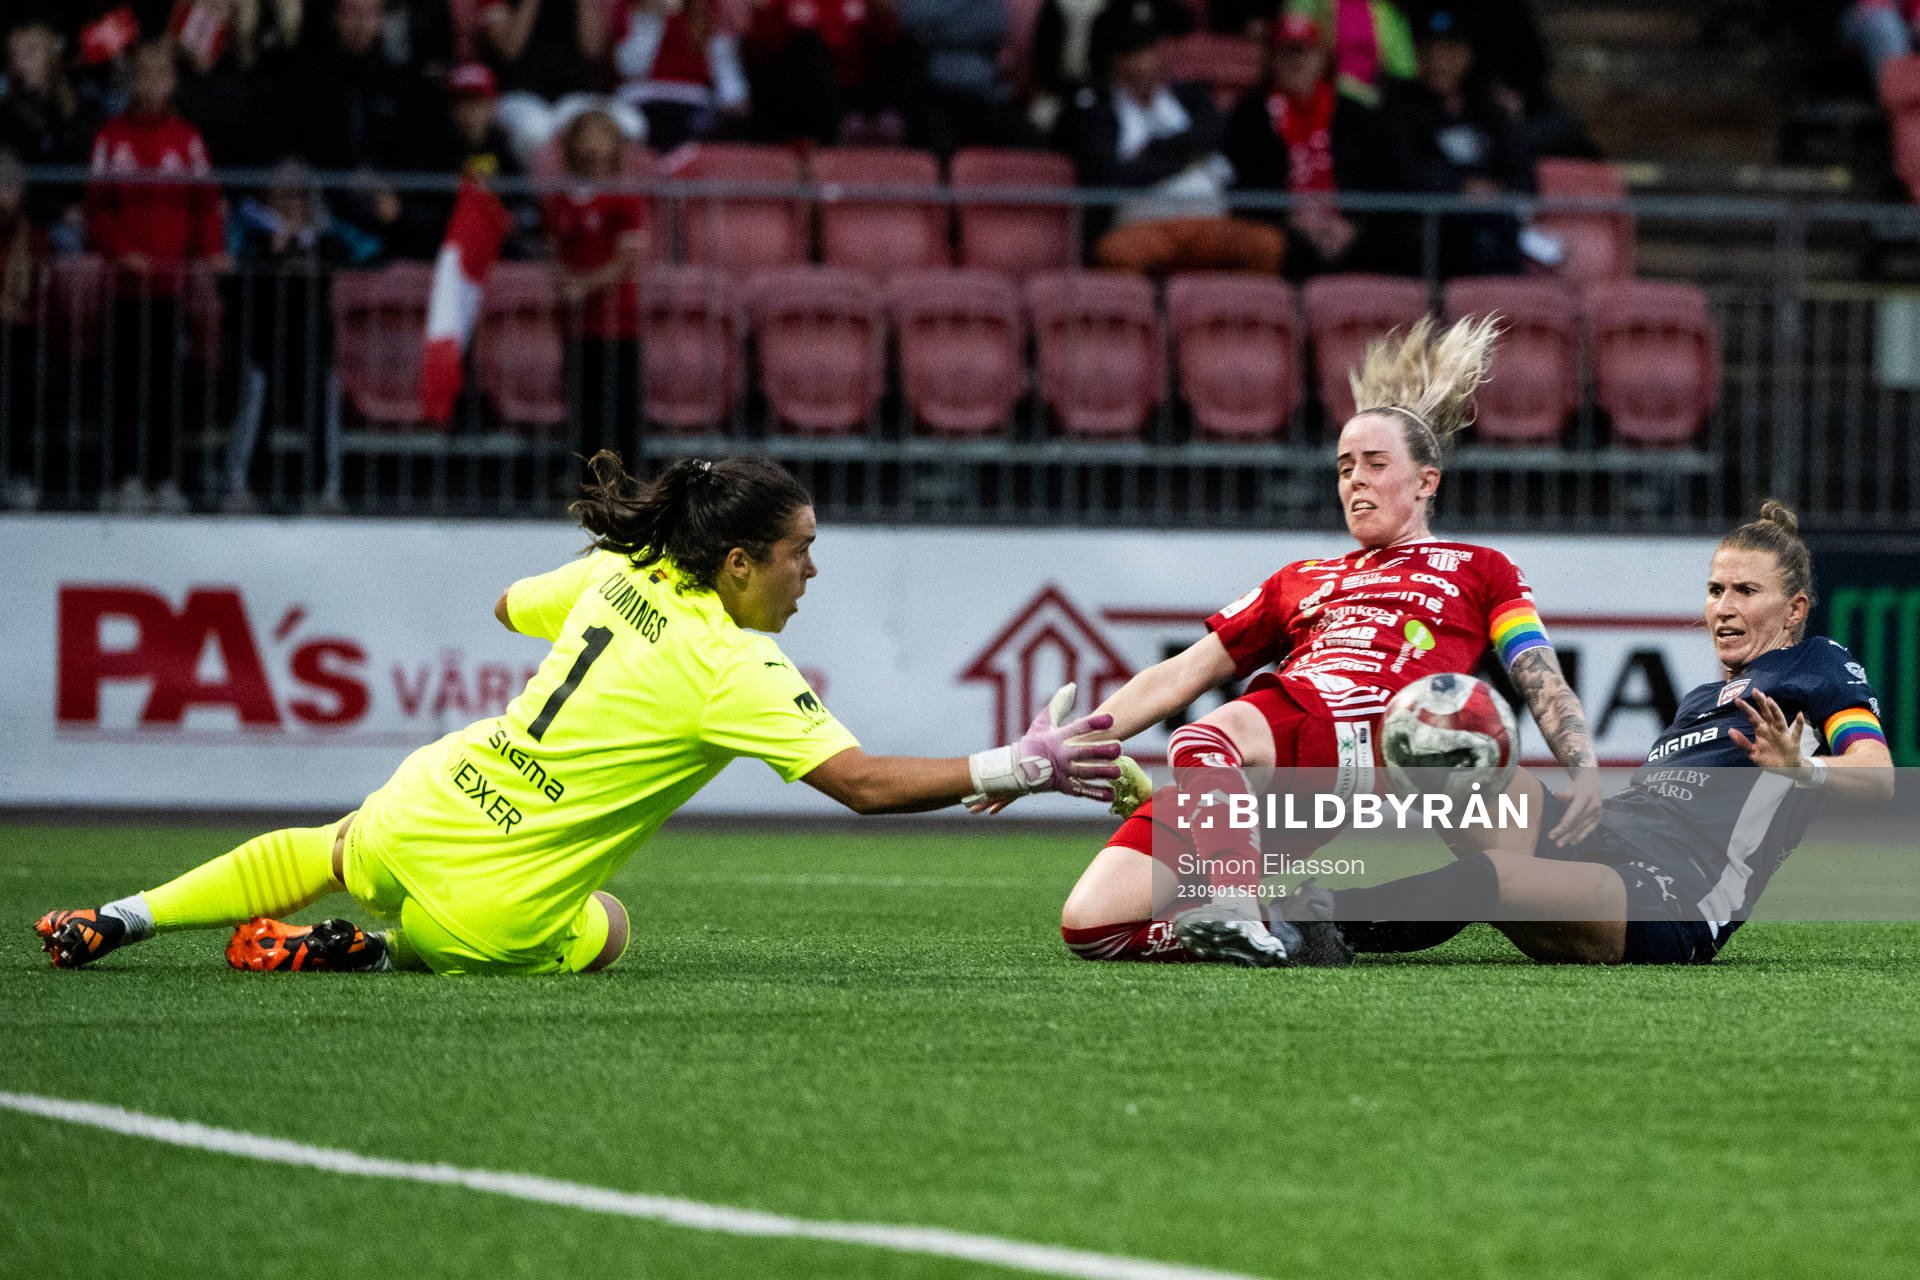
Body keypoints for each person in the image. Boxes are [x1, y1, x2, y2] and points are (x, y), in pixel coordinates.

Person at [34, 453, 1123, 975]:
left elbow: (507, 603)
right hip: (495, 906)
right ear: (741, 560)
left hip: (430, 798)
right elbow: (865, 784)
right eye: (801, 552)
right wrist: (1015, 763)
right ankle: (371, 951)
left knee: (330, 843)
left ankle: (119, 915)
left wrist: (604, 574)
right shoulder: (736, 664)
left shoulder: (625, 570)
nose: (812, 573)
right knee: (603, 928)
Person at [1053, 315, 1601, 967]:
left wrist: (1584, 765)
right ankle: (1270, 930)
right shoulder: (1302, 579)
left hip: (1353, 733)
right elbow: (1179, 676)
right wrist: (1065, 746)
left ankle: (1233, 900)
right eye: (1345, 468)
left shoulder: (1480, 568)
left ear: (1427, 481)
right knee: (1093, 926)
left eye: (1374, 464)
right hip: (1275, 782)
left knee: (1203, 737)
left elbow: (1536, 671)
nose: (1355, 481)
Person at [1321, 501, 1896, 966]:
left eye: (1746, 592)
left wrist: (1803, 768)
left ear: (1795, 609)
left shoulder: (1817, 666)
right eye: (1716, 589)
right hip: (1609, 840)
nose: (1723, 607)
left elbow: (1877, 775)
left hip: (1672, 895)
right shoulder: (1702, 699)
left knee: (1488, 876)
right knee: (1463, 768)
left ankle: (1303, 925)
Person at [84, 39, 230, 512]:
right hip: (125, 286)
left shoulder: (187, 140)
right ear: (131, 81)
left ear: (172, 83)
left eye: (159, 75)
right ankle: (123, 478)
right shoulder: (110, 138)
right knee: (123, 384)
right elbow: (96, 210)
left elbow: (206, 205)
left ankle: (167, 479)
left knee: (168, 385)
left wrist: (210, 252)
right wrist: (119, 251)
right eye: (142, 75)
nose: (150, 85)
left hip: (171, 287)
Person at [1054, 15, 1285, 276]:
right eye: (1139, 53)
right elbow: (1112, 174)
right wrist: (1188, 159)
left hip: (1209, 222)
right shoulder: (1096, 109)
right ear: (1117, 61)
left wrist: (1151, 152)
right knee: (1117, 252)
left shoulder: (1189, 95)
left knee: (1267, 245)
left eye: (1153, 50)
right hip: (1144, 226)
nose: (1150, 61)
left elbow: (1214, 134)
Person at [1225, 12, 1391, 280]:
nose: (1296, 61)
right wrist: (1291, 222)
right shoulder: (1250, 115)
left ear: (1322, 58)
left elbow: (1378, 177)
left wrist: (1354, 227)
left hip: (1347, 231)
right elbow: (1244, 183)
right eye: (1287, 53)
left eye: (1304, 52)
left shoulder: (1354, 113)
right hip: (1282, 231)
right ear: (1273, 59)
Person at [1375, 7, 1536, 277]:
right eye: (1430, 50)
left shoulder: (1487, 109)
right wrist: (1461, 189)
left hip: (1495, 230)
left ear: (1467, 55)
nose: (1439, 61)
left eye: (1448, 51)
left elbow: (1523, 173)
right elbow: (1403, 171)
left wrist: (1495, 191)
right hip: (1426, 239)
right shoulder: (1398, 109)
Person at [544, 109, 649, 464]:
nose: (592, 145)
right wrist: (562, 281)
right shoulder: (561, 200)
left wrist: (582, 288)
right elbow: (554, 248)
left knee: (621, 407)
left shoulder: (623, 198)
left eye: (601, 136)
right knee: (582, 404)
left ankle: (628, 484)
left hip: (618, 322)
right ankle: (588, 483)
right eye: (586, 136)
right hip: (576, 323)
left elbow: (626, 259)